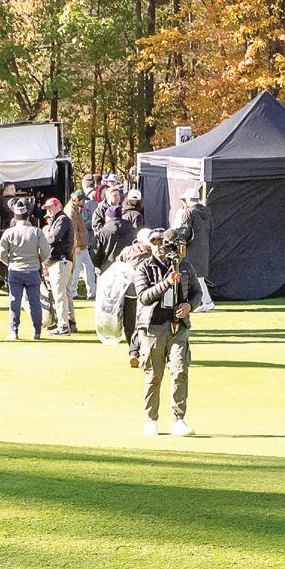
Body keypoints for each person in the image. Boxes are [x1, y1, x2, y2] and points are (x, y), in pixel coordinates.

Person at [134, 227, 203, 437]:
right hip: (153, 328)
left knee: (180, 371)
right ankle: (151, 419)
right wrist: (167, 282)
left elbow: (197, 293)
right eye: (154, 243)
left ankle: (178, 420)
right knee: (154, 375)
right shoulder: (144, 267)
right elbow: (144, 297)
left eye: (161, 243)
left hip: (178, 326)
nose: (158, 247)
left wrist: (189, 306)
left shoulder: (185, 266)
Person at [0, 202, 51, 340]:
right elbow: (46, 251)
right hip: (33, 270)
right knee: (35, 303)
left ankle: (14, 331)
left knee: (14, 302)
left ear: (15, 217)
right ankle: (37, 331)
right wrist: (38, 261)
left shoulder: (9, 232)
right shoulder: (36, 231)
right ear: (28, 216)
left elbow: (1, 253)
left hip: (15, 271)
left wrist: (9, 262)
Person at [118, 228, 157, 367]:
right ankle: (134, 350)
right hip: (130, 294)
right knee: (129, 325)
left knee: (143, 324)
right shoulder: (128, 251)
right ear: (140, 242)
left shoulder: (156, 252)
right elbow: (118, 266)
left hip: (149, 295)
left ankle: (136, 352)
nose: (151, 245)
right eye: (148, 243)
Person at [176, 187, 215, 312]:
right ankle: (205, 302)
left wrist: (177, 239)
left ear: (188, 199)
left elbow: (185, 231)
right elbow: (212, 230)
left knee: (197, 277)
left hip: (191, 248)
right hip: (204, 247)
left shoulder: (189, 213)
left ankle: (207, 302)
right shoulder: (207, 211)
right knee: (199, 277)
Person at [40, 197, 74, 335]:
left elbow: (54, 238)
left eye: (50, 208)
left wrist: (40, 240)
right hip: (62, 261)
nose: (48, 211)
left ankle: (63, 325)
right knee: (65, 293)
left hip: (60, 261)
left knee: (59, 294)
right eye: (47, 208)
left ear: (58, 206)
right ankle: (70, 323)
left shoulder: (62, 219)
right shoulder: (58, 220)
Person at [67, 191, 97, 300]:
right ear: (77, 200)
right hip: (78, 246)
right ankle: (73, 292)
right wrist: (77, 245)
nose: (84, 202)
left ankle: (92, 291)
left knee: (89, 267)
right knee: (77, 269)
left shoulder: (74, 209)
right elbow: (73, 230)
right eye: (83, 200)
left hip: (82, 245)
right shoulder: (71, 211)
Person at [92, 204, 137, 273]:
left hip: (107, 268)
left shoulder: (103, 232)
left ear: (108, 217)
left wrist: (97, 266)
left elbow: (96, 252)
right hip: (127, 267)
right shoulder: (131, 229)